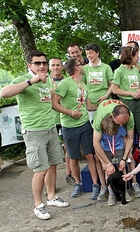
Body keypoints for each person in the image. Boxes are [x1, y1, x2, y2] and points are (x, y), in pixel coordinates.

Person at [0, 50, 69, 220]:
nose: (42, 66)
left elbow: (50, 101)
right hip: (33, 131)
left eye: (44, 63)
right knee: (40, 169)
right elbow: (4, 93)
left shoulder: (47, 81)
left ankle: (51, 197)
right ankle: (38, 205)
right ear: (29, 65)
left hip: (50, 128)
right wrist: (31, 81)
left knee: (53, 164)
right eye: (37, 63)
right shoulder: (24, 80)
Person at [52, 59, 101, 200]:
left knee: (90, 155)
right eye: (81, 65)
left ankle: (95, 184)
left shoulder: (83, 84)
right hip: (69, 126)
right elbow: (54, 104)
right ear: (77, 68)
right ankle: (78, 184)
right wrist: (70, 112)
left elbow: (90, 106)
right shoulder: (65, 83)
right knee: (73, 158)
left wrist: (107, 104)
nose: (84, 66)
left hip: (85, 124)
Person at [92, 99, 140, 199]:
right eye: (119, 123)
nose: (121, 126)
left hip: (118, 145)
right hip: (105, 140)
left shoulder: (129, 117)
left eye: (123, 124)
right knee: (98, 159)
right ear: (112, 116)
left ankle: (134, 185)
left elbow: (129, 138)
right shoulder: (100, 119)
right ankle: (104, 187)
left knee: (129, 156)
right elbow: (96, 143)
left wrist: (125, 158)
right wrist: (106, 164)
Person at [110, 46, 140, 155]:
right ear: (129, 56)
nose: (137, 58)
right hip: (126, 103)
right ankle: (128, 154)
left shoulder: (136, 69)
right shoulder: (119, 71)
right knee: (127, 131)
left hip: (138, 102)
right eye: (136, 56)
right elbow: (114, 89)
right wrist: (131, 93)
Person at [49, 58, 73, 185]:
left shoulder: (68, 81)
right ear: (49, 67)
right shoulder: (45, 81)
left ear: (62, 67)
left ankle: (69, 174)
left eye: (58, 65)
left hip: (65, 118)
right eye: (53, 65)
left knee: (67, 148)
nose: (56, 67)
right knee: (51, 151)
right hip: (51, 119)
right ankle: (50, 184)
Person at [99, 117, 131, 205]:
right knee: (108, 171)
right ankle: (111, 193)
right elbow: (97, 145)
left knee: (122, 168)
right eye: (108, 132)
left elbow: (125, 139)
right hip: (107, 150)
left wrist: (126, 153)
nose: (110, 134)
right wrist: (103, 162)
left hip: (119, 149)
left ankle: (125, 192)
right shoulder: (101, 132)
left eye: (112, 132)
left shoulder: (120, 129)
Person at [83, 43, 113, 120]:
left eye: (91, 53)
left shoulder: (106, 67)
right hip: (90, 104)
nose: (89, 55)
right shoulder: (85, 68)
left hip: (105, 102)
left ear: (97, 53)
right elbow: (82, 85)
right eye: (87, 53)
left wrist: (105, 96)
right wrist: (87, 100)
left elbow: (112, 85)